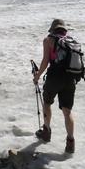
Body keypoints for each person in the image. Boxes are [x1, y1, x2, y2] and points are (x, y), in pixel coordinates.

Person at [32, 19, 77, 154]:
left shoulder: (48, 40)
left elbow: (46, 61)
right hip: (70, 78)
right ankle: (70, 142)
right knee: (67, 110)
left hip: (54, 77)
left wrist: (37, 75)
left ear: (52, 29)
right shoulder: (70, 40)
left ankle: (46, 131)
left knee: (47, 103)